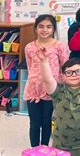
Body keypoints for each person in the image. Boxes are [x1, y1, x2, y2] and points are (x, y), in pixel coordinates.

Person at [39, 47, 80, 155]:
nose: (73, 75)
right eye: (69, 72)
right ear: (62, 76)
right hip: (60, 146)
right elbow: (47, 79)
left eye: (78, 71)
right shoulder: (58, 91)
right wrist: (44, 61)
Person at [24, 15, 69, 147]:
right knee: (34, 123)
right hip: (33, 90)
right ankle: (34, 150)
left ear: (53, 29)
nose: (45, 30)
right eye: (41, 26)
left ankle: (44, 149)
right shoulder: (29, 47)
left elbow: (65, 68)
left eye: (49, 27)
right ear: (36, 28)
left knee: (46, 121)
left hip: (51, 91)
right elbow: (29, 67)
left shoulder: (59, 46)